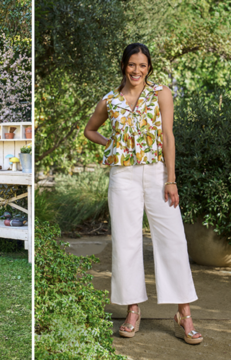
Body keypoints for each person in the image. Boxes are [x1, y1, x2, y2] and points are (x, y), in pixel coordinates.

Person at [84, 43, 203, 345]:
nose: (137, 70)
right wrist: (113, 146)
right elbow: (89, 130)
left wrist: (171, 178)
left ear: (149, 67)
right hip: (122, 176)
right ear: (123, 65)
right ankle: (133, 309)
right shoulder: (110, 100)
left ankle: (184, 313)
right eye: (131, 65)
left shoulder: (161, 93)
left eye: (142, 65)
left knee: (173, 239)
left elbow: (167, 136)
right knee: (126, 242)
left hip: (157, 173)